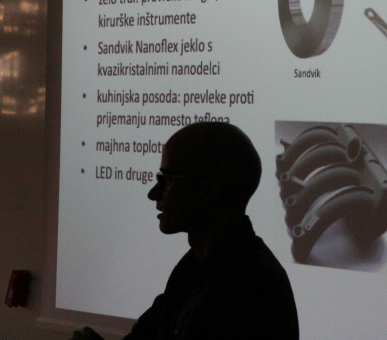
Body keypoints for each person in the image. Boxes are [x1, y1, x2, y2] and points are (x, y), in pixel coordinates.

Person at [71, 122, 299, 339]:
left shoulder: (252, 288)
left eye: (167, 180)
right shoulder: (192, 267)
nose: (153, 194)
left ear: (209, 190)